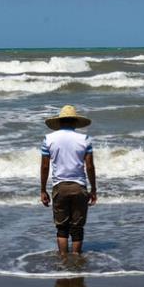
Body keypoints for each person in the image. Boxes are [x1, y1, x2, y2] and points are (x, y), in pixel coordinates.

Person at [40, 105, 97, 257]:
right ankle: (77, 258)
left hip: (60, 187)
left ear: (59, 122)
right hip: (79, 187)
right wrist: (94, 189)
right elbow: (90, 167)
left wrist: (43, 190)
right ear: (75, 122)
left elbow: (45, 166)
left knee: (62, 228)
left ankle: (64, 260)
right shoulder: (84, 139)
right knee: (77, 228)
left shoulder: (49, 139)